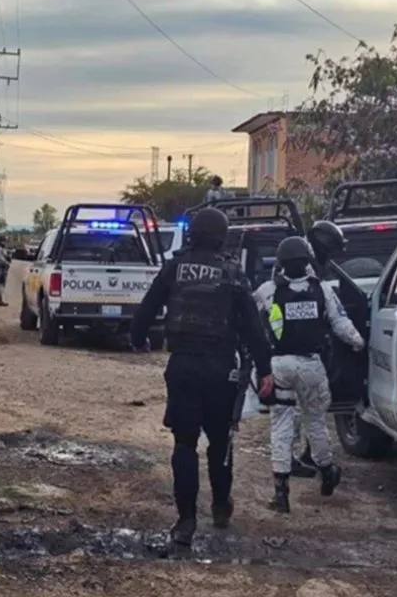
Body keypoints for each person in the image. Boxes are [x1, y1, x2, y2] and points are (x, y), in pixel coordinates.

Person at [131, 207, 274, 549]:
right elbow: (253, 328)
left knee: (184, 444)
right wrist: (265, 369)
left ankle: (186, 521)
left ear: (192, 234)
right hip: (221, 370)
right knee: (220, 442)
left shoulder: (175, 268)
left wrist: (138, 339)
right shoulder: (233, 274)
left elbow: (147, 308)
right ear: (222, 238)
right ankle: (221, 506)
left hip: (183, 367)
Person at [254, 236, 364, 514]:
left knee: (281, 425)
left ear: (280, 262)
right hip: (312, 366)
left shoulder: (268, 290)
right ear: (307, 261)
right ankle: (327, 471)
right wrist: (359, 343)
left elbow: (250, 319)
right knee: (315, 421)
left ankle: (281, 494)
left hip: (279, 365)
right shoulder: (323, 290)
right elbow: (341, 324)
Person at [289, 220, 350, 478]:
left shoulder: (307, 262)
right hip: (299, 346)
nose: (332, 256)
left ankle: (307, 454)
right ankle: (291, 459)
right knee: (296, 407)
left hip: (304, 343)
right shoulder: (303, 267)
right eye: (331, 250)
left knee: (309, 405)